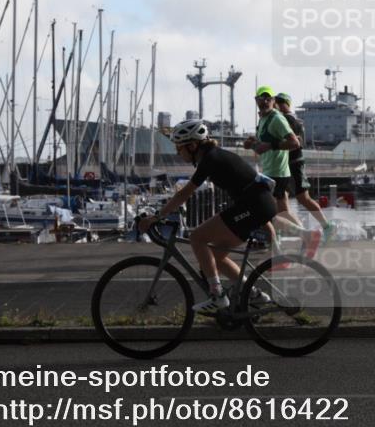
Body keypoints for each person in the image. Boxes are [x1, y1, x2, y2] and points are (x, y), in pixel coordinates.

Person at [138, 120, 277, 312]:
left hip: (254, 206)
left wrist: (156, 217)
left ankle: (217, 295)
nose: (178, 152)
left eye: (180, 148)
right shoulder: (213, 156)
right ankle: (253, 295)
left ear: (192, 145)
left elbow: (184, 194)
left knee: (197, 237)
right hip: (257, 205)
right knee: (216, 256)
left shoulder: (210, 160)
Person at [245, 86, 321, 257]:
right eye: (261, 98)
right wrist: (253, 143)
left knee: (264, 211)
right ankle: (303, 237)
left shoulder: (277, 119)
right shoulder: (263, 119)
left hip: (277, 172)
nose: (264, 101)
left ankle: (281, 249)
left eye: (268, 98)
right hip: (271, 171)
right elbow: (263, 146)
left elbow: (295, 143)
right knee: (281, 213)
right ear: (256, 100)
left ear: (273, 101)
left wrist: (270, 145)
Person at [274, 92, 335, 240]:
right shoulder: (293, 119)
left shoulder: (288, 119)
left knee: (302, 198)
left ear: (284, 104)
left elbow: (294, 142)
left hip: (293, 163)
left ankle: (326, 227)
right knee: (281, 200)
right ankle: (283, 234)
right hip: (287, 165)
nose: (276, 105)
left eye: (278, 103)